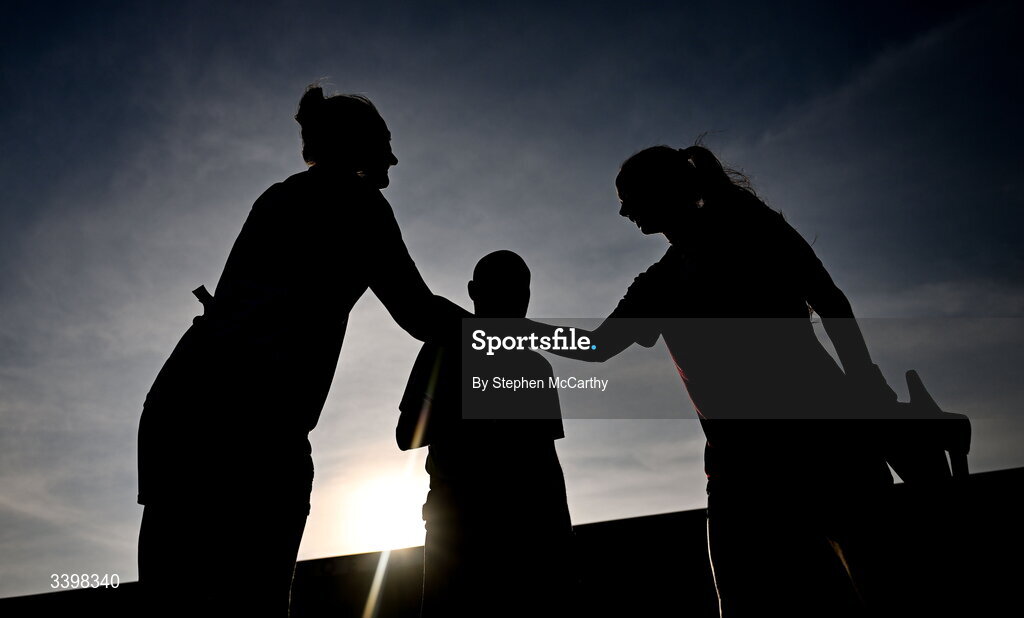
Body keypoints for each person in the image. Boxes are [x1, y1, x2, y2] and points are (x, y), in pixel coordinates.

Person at [519, 144, 908, 617]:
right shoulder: (674, 273)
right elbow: (598, 347)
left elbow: (830, 301)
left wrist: (867, 388)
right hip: (764, 459)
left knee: (865, 588)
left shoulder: (732, 238)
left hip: (805, 447)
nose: (621, 211)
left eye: (628, 197)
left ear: (660, 191)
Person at [137, 85, 463, 617]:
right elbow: (420, 314)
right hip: (253, 424)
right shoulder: (360, 206)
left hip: (183, 405)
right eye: (385, 142)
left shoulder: (279, 196)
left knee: (174, 597)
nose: (395, 157)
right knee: (254, 601)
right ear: (357, 145)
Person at [397, 250, 574, 618]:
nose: (516, 300)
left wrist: (561, 539)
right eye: (504, 289)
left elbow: (546, 465)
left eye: (521, 291)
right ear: (474, 291)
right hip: (458, 528)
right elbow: (406, 435)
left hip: (523, 532)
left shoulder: (533, 364)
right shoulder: (441, 349)